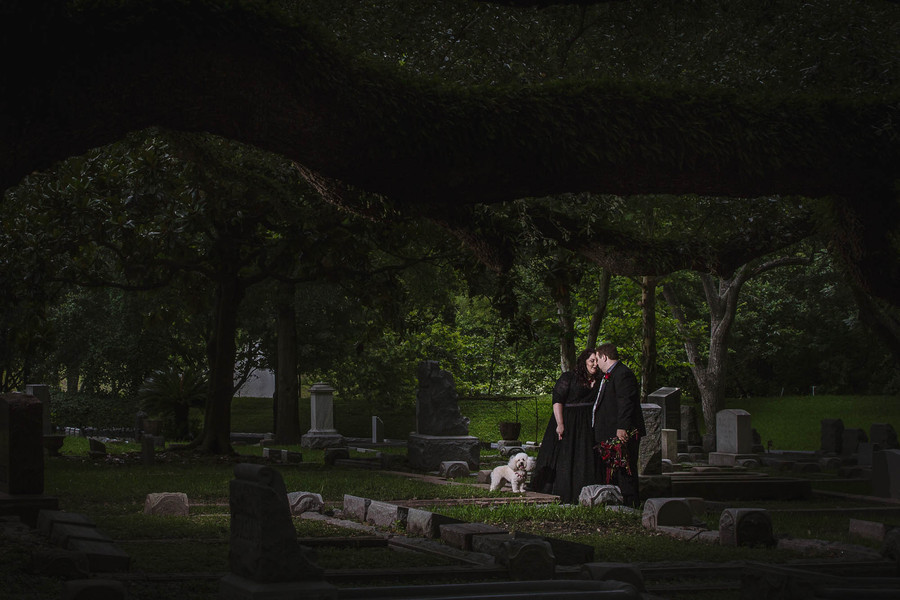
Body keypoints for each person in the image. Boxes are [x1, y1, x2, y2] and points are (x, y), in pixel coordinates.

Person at [528, 348, 602, 504]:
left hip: (588, 423)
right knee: (565, 456)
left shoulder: (601, 379)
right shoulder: (569, 377)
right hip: (569, 420)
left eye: (597, 361)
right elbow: (558, 400)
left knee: (584, 456)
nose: (595, 364)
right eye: (591, 361)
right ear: (584, 362)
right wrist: (560, 423)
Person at [591, 343, 646, 508]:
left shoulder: (623, 374)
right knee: (613, 468)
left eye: (597, 359)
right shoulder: (609, 375)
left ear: (604, 357)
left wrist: (622, 427)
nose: (596, 364)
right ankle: (615, 499)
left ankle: (630, 503)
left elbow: (625, 402)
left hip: (621, 431)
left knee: (624, 466)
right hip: (608, 430)